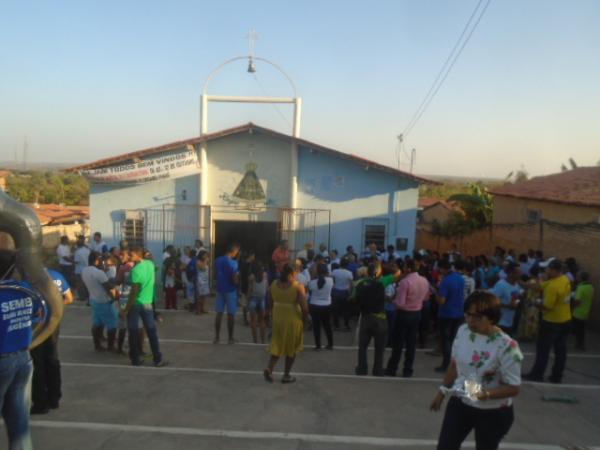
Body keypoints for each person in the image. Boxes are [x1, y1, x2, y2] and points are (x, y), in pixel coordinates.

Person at [430, 291, 523, 450]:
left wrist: (485, 394)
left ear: (492, 318)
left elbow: (514, 388)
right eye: (468, 315)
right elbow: (454, 365)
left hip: (492, 412)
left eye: (478, 317)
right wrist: (442, 392)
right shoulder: (463, 331)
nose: (471, 321)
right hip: (461, 401)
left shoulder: (507, 346)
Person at [29, 268, 73, 415]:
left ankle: (40, 403)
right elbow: (69, 298)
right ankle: (54, 398)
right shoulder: (57, 276)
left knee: (37, 363)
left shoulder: (29, 279)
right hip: (54, 323)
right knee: (52, 359)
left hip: (35, 325)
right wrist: (55, 308)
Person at [524, 259, 571, 383]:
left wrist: (534, 303)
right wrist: (525, 284)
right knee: (560, 351)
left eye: (547, 269)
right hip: (565, 320)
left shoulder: (553, 287)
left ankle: (537, 374)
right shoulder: (563, 279)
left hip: (552, 322)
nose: (545, 271)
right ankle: (556, 376)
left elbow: (547, 306)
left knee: (543, 350)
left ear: (554, 270)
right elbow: (539, 286)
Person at [120, 246, 167, 367]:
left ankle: (135, 359)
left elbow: (134, 292)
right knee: (151, 331)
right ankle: (157, 358)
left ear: (138, 255)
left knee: (133, 331)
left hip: (136, 304)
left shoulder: (135, 270)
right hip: (148, 303)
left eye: (131, 255)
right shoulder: (150, 265)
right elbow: (154, 267)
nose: (129, 257)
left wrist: (126, 310)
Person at [263, 264, 308, 383]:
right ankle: (286, 375)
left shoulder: (273, 284)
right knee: (291, 347)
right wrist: (305, 321)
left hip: (278, 317)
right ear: (293, 273)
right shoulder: (298, 286)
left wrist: (267, 315)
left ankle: (269, 368)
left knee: (277, 343)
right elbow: (305, 308)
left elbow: (269, 302)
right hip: (293, 318)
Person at [385, 259, 430, 378]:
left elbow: (400, 303)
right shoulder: (424, 280)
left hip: (404, 314)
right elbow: (426, 298)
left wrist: (391, 299)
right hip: (416, 314)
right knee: (411, 344)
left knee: (398, 343)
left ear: (408, 268)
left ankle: (392, 369)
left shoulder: (405, 282)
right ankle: (408, 370)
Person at [354, 263, 387, 376]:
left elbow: (355, 299)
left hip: (366, 316)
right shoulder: (380, 285)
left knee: (362, 346)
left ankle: (362, 369)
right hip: (379, 317)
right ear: (378, 273)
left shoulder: (360, 284)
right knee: (379, 347)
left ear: (367, 272)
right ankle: (377, 370)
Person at [81, 252, 118, 352]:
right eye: (101, 260)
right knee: (112, 324)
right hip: (104, 301)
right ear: (97, 260)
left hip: (93, 299)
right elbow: (108, 287)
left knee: (97, 323)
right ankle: (111, 346)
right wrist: (115, 295)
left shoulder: (84, 270)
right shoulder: (99, 273)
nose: (103, 262)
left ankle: (97, 345)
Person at [435, 259, 465, 373]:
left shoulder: (445, 281)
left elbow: (442, 301)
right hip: (459, 313)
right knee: (453, 340)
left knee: (446, 341)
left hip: (447, 314)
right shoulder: (460, 278)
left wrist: (436, 293)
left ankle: (446, 364)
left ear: (443, 268)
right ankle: (453, 364)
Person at [214, 243, 240, 345]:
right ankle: (230, 338)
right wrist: (237, 283)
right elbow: (235, 279)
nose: (236, 254)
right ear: (233, 251)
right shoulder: (234, 263)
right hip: (230, 290)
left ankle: (217, 337)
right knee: (230, 315)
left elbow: (216, 274)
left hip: (220, 289)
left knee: (219, 314)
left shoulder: (218, 260)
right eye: (236, 252)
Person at [490, 262, 523, 335]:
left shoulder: (516, 285)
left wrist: (518, 300)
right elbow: (491, 301)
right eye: (518, 272)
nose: (521, 274)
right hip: (500, 323)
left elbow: (516, 298)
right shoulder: (501, 285)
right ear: (510, 273)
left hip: (510, 321)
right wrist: (508, 306)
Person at [308, 264, 334, 350]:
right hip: (327, 305)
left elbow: (310, 289)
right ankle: (330, 344)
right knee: (327, 326)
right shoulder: (330, 280)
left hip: (315, 306)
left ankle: (318, 345)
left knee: (316, 327)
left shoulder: (312, 282)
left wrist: (313, 276)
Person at [572, 271, 594, 351]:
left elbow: (577, 301)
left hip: (578, 312)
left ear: (581, 278)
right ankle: (580, 343)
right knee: (581, 329)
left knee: (578, 329)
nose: (576, 278)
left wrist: (573, 306)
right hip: (586, 311)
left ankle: (579, 344)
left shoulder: (580, 288)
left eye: (578, 277)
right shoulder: (590, 287)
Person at [247, 260, 268, 344]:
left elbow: (250, 290)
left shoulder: (251, 277)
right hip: (262, 299)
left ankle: (255, 340)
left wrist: (247, 300)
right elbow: (267, 288)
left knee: (253, 321)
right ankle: (263, 340)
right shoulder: (265, 275)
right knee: (262, 321)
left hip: (253, 299)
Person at [331, 258, 354, 331]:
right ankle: (346, 325)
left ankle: (336, 325)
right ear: (347, 265)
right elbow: (351, 285)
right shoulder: (349, 273)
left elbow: (332, 281)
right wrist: (350, 294)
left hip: (336, 291)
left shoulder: (334, 271)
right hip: (345, 292)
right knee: (346, 310)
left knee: (335, 310)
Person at [73, 235, 91, 303]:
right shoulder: (87, 250)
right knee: (86, 284)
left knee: (80, 285)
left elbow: (76, 261)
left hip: (79, 270)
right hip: (87, 269)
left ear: (77, 245)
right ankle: (87, 296)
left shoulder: (77, 252)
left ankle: (82, 297)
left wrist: (71, 261)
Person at [195, 251, 210, 315]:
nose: (206, 256)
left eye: (206, 255)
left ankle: (202, 309)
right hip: (200, 281)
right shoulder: (198, 261)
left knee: (204, 296)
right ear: (201, 255)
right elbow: (203, 268)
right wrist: (206, 261)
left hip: (205, 280)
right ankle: (198, 310)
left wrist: (206, 261)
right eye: (205, 255)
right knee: (199, 296)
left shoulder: (205, 261)